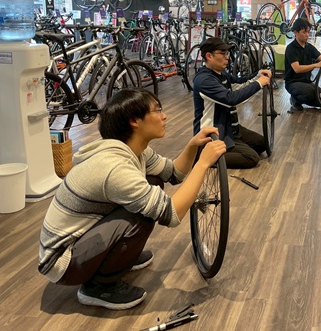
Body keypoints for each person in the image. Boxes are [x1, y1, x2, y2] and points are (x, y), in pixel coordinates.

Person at [38, 88, 226, 310]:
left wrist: (193, 146)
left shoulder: (134, 150)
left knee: (154, 181)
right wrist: (203, 164)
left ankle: (116, 258)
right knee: (143, 216)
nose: (164, 116)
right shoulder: (115, 167)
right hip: (63, 262)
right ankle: (98, 287)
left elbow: (174, 173)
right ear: (135, 121)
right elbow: (172, 214)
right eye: (157, 110)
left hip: (80, 242)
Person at [192, 37, 271, 168]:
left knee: (262, 143)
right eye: (222, 53)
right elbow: (231, 99)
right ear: (209, 56)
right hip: (214, 133)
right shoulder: (204, 80)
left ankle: (232, 146)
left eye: (227, 53)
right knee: (251, 157)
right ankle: (203, 156)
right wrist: (258, 83)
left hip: (230, 127)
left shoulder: (221, 74)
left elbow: (239, 83)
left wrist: (257, 75)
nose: (227, 57)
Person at [284, 18, 321, 112]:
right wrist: (316, 65)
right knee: (309, 93)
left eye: (308, 32)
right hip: (292, 83)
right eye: (304, 32)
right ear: (295, 32)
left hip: (307, 82)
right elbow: (297, 69)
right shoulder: (290, 48)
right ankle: (295, 100)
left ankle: (302, 98)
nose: (307, 35)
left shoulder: (309, 47)